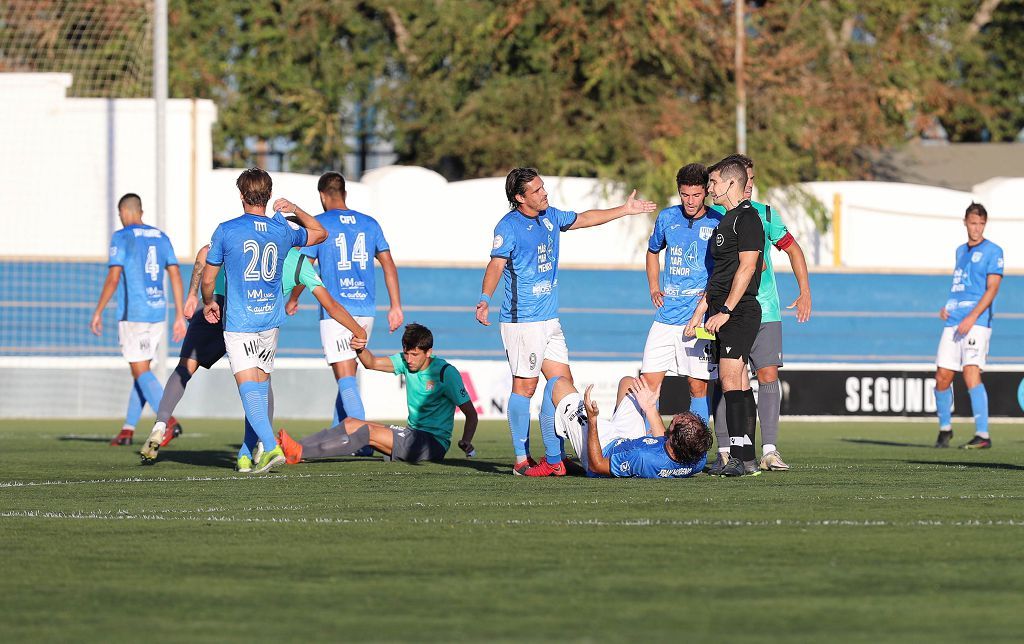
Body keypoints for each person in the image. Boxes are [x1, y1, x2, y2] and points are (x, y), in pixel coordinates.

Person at [476, 167, 656, 476]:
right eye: (536, 190)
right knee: (525, 386)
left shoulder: (550, 217)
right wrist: (484, 298)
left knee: (563, 387)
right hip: (523, 322)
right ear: (520, 198)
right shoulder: (508, 227)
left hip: (549, 320)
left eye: (543, 187)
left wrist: (625, 210)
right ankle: (521, 460)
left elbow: (584, 218)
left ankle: (556, 458)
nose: (544, 193)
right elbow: (496, 265)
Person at [138, 231, 367, 465]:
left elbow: (204, 254)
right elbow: (331, 304)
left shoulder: (248, 239)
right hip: (254, 320)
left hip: (216, 305)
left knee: (184, 368)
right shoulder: (300, 263)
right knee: (259, 384)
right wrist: (358, 330)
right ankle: (257, 446)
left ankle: (161, 424)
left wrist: (191, 295)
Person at [201, 168, 327, 474]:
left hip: (241, 321)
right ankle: (245, 453)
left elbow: (208, 278)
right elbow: (321, 233)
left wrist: (208, 301)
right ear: (268, 196)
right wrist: (294, 208)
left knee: (248, 390)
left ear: (241, 195)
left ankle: (271, 448)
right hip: (270, 320)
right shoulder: (281, 228)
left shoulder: (227, 230)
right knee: (257, 391)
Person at [708, 154, 813, 472]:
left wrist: (804, 290)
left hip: (763, 307)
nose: (749, 186)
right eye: (746, 179)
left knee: (765, 375)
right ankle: (728, 451)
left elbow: (792, 248)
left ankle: (768, 450)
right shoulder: (718, 215)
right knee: (727, 378)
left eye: (752, 180)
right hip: (727, 306)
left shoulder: (765, 214)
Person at [292, 172, 402, 441]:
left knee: (345, 378)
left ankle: (364, 438)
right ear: (344, 193)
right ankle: (336, 436)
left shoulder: (319, 225)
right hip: (366, 310)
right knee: (349, 373)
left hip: (336, 312)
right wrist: (395, 306)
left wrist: (293, 298)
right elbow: (388, 264)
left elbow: (305, 267)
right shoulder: (369, 223)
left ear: (322, 195)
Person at [277, 324, 478, 464]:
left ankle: (301, 452)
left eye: (414, 355)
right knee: (350, 423)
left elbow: (471, 413)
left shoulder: (446, 373)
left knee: (367, 434)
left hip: (432, 443)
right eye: (406, 353)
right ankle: (290, 447)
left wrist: (466, 440)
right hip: (411, 433)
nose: (409, 359)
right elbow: (370, 362)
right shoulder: (405, 362)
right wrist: (360, 348)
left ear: (429, 352)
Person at [685, 157, 764, 478]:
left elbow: (747, 268)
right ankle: (746, 459)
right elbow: (720, 274)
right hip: (721, 311)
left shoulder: (749, 219)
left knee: (731, 380)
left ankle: (739, 456)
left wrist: (728, 310)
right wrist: (700, 312)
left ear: (732, 184)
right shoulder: (725, 221)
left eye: (714, 183)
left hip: (740, 311)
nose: (710, 188)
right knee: (737, 381)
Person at [90, 193, 187, 446]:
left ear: (123, 211)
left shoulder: (121, 237)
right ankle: (128, 429)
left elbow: (113, 279)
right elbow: (175, 276)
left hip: (134, 313)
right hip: (157, 313)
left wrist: (98, 310)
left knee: (140, 369)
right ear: (140, 212)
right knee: (140, 370)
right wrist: (178, 315)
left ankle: (168, 422)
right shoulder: (161, 236)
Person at [641, 162, 722, 425]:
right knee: (648, 386)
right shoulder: (666, 218)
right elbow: (653, 252)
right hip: (666, 318)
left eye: (696, 195)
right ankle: (647, 444)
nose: (690, 201)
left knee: (697, 387)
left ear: (706, 193)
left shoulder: (717, 221)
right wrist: (654, 287)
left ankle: (696, 454)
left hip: (698, 321)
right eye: (685, 194)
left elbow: (725, 269)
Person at [536, 375, 710, 479]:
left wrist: (593, 421)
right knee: (629, 383)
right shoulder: (697, 459)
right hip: (630, 440)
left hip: (603, 449)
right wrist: (649, 407)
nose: (675, 416)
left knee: (556, 384)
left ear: (673, 437)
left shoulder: (643, 458)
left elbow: (597, 466)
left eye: (675, 422)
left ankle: (553, 462)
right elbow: (662, 443)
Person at [933, 202, 1003, 449]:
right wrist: (948, 307)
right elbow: (960, 286)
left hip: (977, 322)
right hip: (953, 321)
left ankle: (982, 435)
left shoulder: (994, 251)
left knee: (971, 372)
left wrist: (972, 316)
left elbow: (992, 288)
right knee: (942, 376)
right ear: (965, 222)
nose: (977, 228)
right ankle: (945, 430)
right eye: (973, 223)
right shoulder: (960, 251)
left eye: (981, 223)